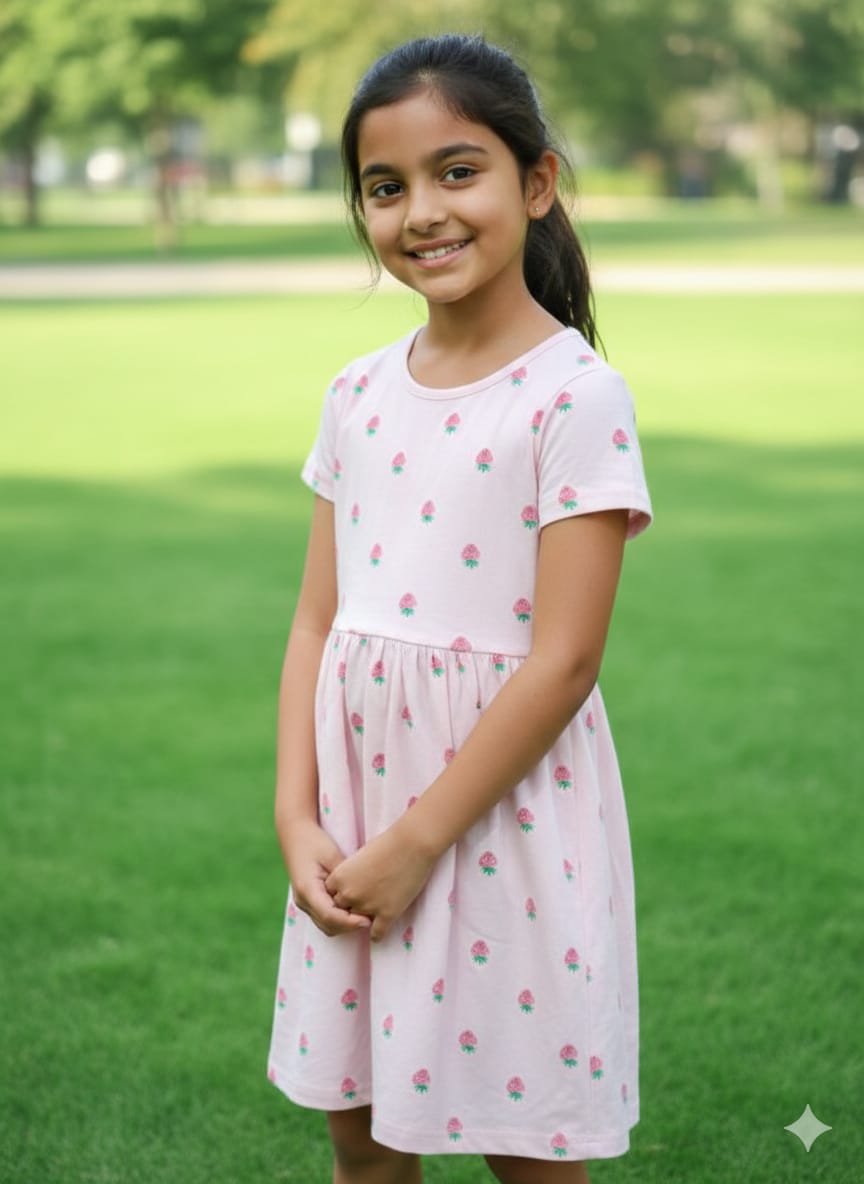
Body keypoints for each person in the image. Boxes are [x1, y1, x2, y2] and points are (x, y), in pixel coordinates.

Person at [267, 33, 653, 1184]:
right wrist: (296, 815)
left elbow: (565, 661)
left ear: (535, 183)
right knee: (364, 1130)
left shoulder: (574, 396)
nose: (421, 212)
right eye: (385, 188)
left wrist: (419, 841)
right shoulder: (356, 393)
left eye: (457, 170)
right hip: (355, 811)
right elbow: (311, 626)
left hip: (493, 827)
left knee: (518, 1140)